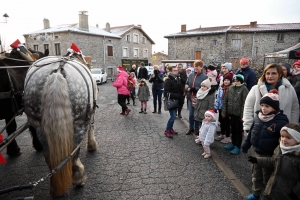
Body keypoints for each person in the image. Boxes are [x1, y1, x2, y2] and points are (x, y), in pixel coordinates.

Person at [241, 90, 289, 200]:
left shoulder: (280, 122)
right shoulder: (258, 116)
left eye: (267, 106)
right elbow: (252, 132)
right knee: (256, 174)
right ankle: (256, 193)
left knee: (268, 176)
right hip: (255, 151)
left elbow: (282, 140)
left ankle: (267, 195)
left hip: (269, 155)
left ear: (275, 107)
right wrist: (246, 144)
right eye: (262, 105)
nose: (263, 108)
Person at [247, 124, 300, 200]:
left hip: (287, 194)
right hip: (271, 188)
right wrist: (257, 160)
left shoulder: (297, 158)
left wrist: (296, 193)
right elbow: (273, 161)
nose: (284, 139)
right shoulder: (280, 148)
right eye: (282, 136)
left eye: (288, 138)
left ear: (298, 140)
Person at [243, 63, 299, 134]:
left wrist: (292, 127)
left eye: (274, 73)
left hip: (282, 131)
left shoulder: (289, 89)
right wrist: (248, 127)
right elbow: (248, 108)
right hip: (260, 130)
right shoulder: (256, 89)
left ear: (280, 74)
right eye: (268, 73)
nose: (270, 76)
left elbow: (294, 108)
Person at [222, 73, 249, 155]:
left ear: (241, 81)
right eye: (234, 81)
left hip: (239, 115)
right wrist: (224, 112)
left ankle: (237, 146)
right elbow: (225, 101)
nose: (235, 82)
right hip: (231, 113)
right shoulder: (230, 88)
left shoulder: (244, 89)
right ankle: (233, 143)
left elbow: (245, 103)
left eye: (237, 81)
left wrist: (242, 116)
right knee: (232, 130)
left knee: (238, 131)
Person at [185, 60, 208, 135]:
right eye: (195, 66)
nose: (196, 67)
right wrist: (187, 87)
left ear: (201, 67)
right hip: (190, 97)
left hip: (199, 98)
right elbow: (187, 83)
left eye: (198, 66)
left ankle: (197, 128)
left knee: (197, 114)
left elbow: (206, 88)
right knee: (191, 114)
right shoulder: (191, 75)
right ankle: (191, 128)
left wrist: (194, 89)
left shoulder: (205, 76)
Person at [214, 72, 234, 143]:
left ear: (230, 81)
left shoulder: (232, 89)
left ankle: (228, 137)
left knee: (227, 123)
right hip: (220, 108)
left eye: (228, 80)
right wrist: (216, 107)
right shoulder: (221, 88)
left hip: (227, 109)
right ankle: (222, 135)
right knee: (221, 122)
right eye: (225, 80)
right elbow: (218, 99)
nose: (226, 81)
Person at [164, 66, 182, 138]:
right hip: (171, 101)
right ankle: (167, 130)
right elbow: (166, 93)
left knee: (173, 116)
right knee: (173, 116)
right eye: (174, 70)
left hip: (176, 101)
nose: (176, 72)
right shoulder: (168, 80)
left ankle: (170, 129)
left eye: (177, 70)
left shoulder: (177, 79)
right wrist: (177, 96)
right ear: (170, 71)